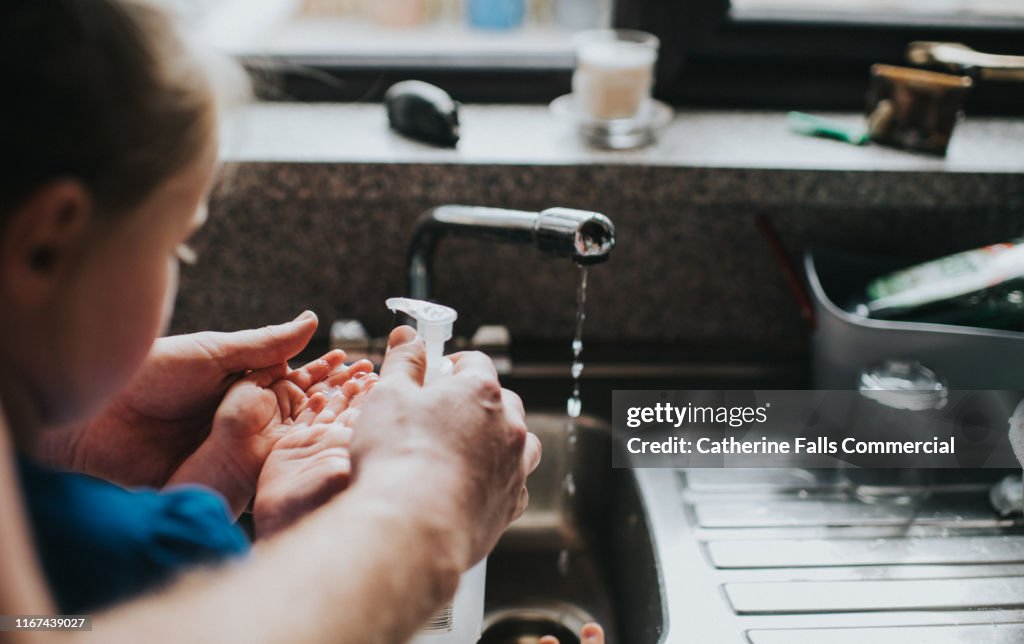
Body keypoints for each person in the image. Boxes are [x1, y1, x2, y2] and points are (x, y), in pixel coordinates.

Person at [0, 1, 542, 642]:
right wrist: (430, 505)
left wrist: (82, 435)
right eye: (176, 244)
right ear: (44, 246)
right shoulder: (125, 554)